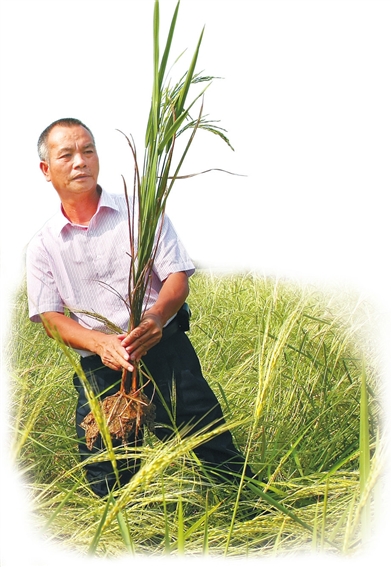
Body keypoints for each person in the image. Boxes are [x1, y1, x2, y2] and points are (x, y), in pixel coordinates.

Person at [26, 117, 253, 497]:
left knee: (213, 448)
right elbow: (51, 319)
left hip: (163, 349)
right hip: (103, 367)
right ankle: (125, 543)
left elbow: (176, 278)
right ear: (46, 170)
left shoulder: (139, 212)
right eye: (66, 155)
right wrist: (100, 345)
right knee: (108, 471)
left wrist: (155, 319)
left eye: (88, 150)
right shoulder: (44, 245)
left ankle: (250, 514)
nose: (80, 161)